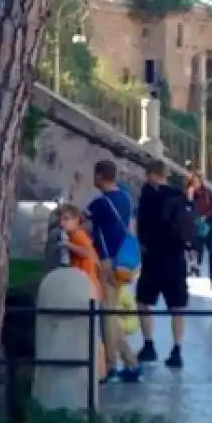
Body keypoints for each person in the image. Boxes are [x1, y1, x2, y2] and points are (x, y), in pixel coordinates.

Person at [83, 161, 141, 384]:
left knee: (108, 313)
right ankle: (128, 360)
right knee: (112, 310)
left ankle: (113, 364)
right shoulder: (126, 198)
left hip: (107, 261)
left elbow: (81, 221)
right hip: (125, 261)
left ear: (99, 176)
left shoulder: (100, 204)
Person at [136, 159, 190, 368]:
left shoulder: (148, 195)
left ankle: (149, 344)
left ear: (150, 174)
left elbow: (142, 226)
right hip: (176, 258)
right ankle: (177, 350)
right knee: (177, 306)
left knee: (143, 302)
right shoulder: (178, 195)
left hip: (153, 257)